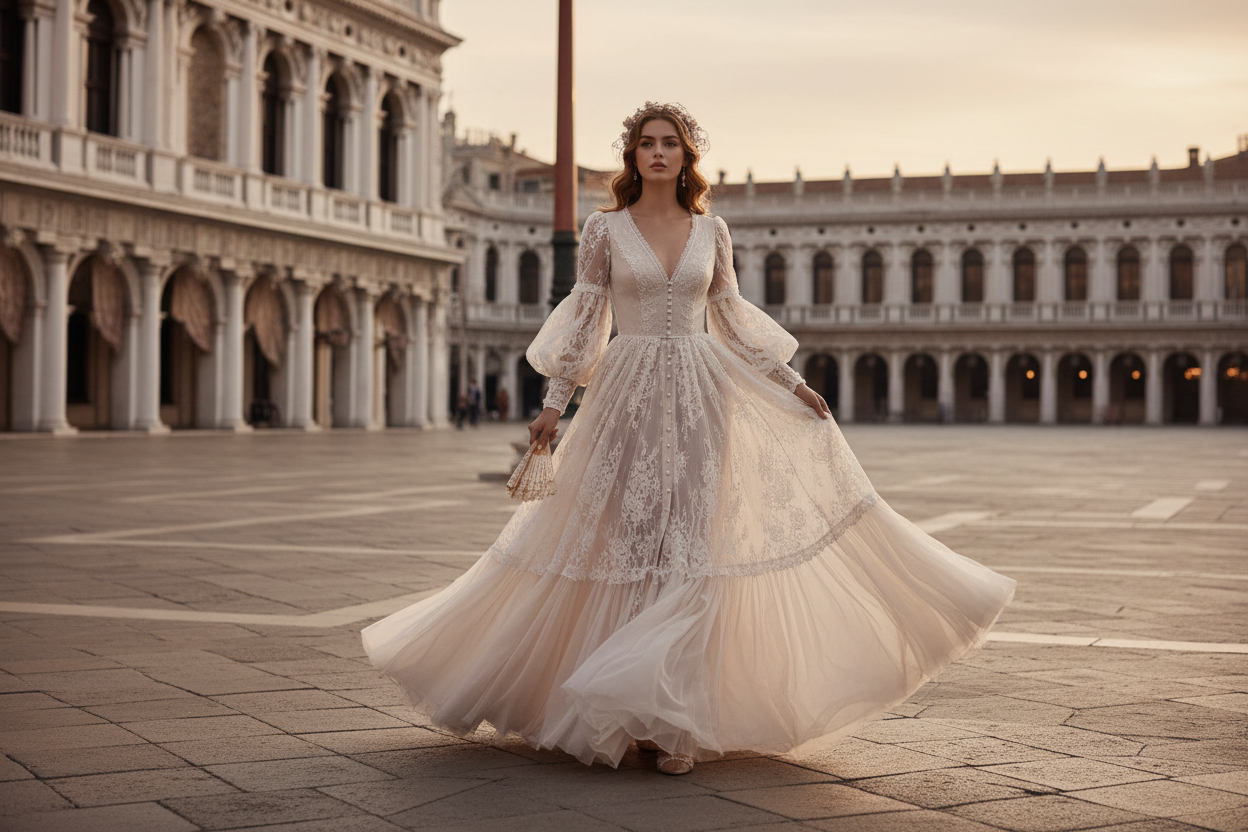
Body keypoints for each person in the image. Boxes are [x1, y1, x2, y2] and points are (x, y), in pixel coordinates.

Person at [363, 102, 1014, 777]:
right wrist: (555, 405)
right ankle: (633, 709)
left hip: (706, 398)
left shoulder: (713, 230)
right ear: (632, 155)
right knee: (627, 546)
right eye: (646, 144)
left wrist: (792, 383)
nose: (657, 153)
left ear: (686, 155)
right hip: (625, 397)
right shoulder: (603, 229)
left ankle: (673, 721)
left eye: (669, 143)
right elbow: (587, 322)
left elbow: (729, 318)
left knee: (695, 549)